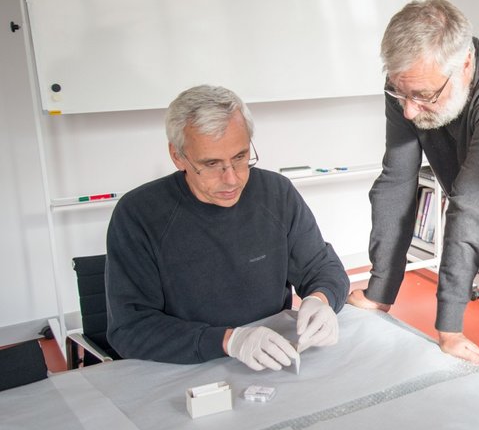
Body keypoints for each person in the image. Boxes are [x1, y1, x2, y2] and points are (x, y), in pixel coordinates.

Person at [347, 0, 479, 397]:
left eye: (423, 96)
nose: (409, 111)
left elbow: (471, 205)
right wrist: (380, 291)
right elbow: (396, 181)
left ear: (463, 64)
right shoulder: (408, 85)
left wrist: (449, 325)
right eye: (399, 93)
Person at [106, 85, 350, 370]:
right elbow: (130, 329)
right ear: (177, 156)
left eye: (240, 157)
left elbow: (323, 267)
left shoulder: (276, 193)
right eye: (211, 164)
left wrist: (321, 299)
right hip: (183, 368)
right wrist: (228, 341)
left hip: (274, 360)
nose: (232, 179)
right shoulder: (138, 214)